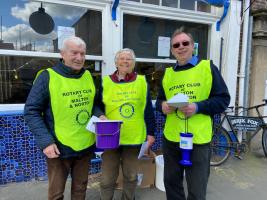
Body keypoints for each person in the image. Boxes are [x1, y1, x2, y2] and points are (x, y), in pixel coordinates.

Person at [156, 28, 230, 200]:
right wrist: (163, 106)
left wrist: (197, 107)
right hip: (172, 138)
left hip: (198, 140)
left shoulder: (208, 68)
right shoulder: (167, 74)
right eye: (176, 45)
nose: (181, 47)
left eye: (185, 43)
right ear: (172, 50)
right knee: (171, 184)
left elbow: (223, 100)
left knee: (197, 188)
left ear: (193, 47)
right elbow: (159, 101)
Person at [24, 36, 96, 200]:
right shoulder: (47, 77)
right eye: (74, 53)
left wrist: (101, 114)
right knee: (56, 194)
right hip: (58, 147)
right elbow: (31, 111)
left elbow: (95, 104)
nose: (79, 58)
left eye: (83, 54)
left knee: (80, 189)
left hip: (85, 144)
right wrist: (46, 142)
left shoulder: (88, 76)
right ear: (62, 54)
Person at [95, 48, 155, 200]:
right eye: (122, 58)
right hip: (110, 137)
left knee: (131, 176)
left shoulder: (142, 82)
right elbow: (95, 106)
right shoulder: (105, 82)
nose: (125, 61)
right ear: (116, 62)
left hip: (133, 138)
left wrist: (151, 133)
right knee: (107, 178)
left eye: (129, 59)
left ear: (134, 63)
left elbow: (148, 109)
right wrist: (100, 115)